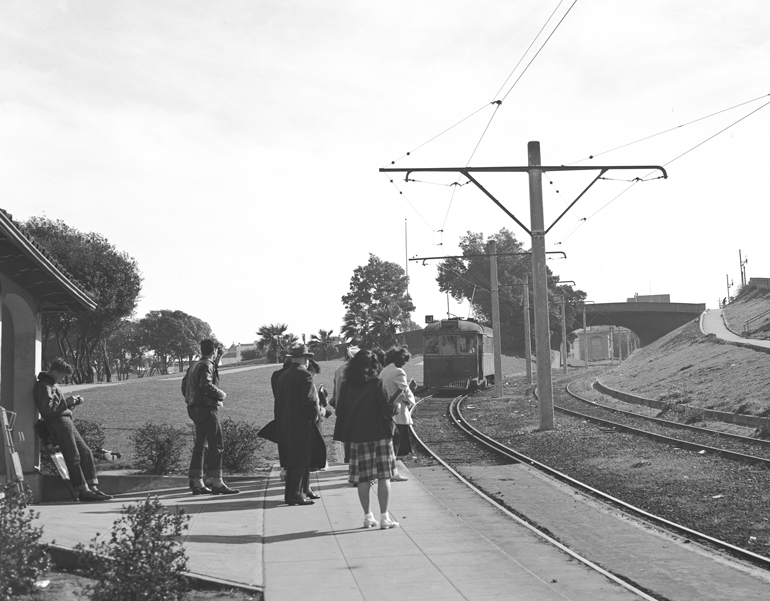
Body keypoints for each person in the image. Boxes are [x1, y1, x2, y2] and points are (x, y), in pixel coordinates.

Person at [33, 358, 112, 502]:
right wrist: (67, 403)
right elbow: (47, 410)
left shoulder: (51, 384)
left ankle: (92, 487)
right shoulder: (43, 386)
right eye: (62, 376)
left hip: (66, 421)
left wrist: (70, 404)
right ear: (54, 371)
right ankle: (83, 490)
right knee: (73, 455)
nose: (62, 379)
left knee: (85, 451)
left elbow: (57, 406)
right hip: (58, 423)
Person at [336, 349, 400, 529]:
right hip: (380, 435)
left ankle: (367, 516)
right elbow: (387, 411)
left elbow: (342, 410)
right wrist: (395, 405)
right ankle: (384, 518)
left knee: (363, 478)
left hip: (358, 437)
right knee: (384, 476)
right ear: (373, 366)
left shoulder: (348, 385)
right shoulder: (377, 384)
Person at [182, 339, 239, 495]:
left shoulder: (193, 365)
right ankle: (216, 481)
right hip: (207, 408)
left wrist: (191, 401)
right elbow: (206, 384)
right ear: (214, 351)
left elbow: (184, 386)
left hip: (193, 407)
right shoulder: (207, 365)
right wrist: (220, 394)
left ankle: (197, 481)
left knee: (200, 445)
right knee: (216, 445)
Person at [276, 345, 326, 506]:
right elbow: (310, 400)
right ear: (305, 359)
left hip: (286, 422)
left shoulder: (283, 376)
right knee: (301, 459)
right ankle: (296, 493)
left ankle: (296, 492)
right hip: (302, 422)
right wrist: (316, 415)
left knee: (292, 460)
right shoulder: (304, 375)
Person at [379, 347, 416, 482]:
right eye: (405, 361)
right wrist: (411, 396)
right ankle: (393, 473)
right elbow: (404, 392)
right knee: (395, 446)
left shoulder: (385, 370)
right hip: (397, 413)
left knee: (392, 444)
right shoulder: (398, 371)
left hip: (385, 411)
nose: (405, 364)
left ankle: (392, 472)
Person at [331, 345, 359, 463]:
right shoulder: (354, 369)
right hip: (352, 405)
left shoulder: (339, 369)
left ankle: (348, 458)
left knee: (346, 435)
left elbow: (335, 391)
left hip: (341, 406)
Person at [271, 358, 293, 482]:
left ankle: (283, 466)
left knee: (282, 440)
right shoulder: (291, 375)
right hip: (291, 411)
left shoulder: (276, 375)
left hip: (279, 410)